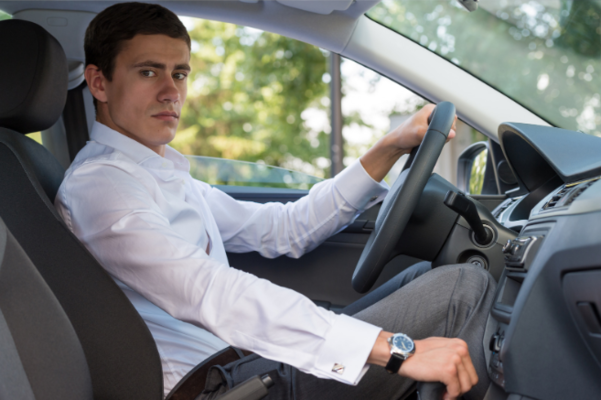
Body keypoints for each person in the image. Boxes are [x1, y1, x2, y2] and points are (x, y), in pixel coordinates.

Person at [54, 3, 497, 400]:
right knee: (459, 287)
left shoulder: (160, 172)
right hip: (217, 387)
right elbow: (210, 291)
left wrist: (390, 146)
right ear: (99, 83)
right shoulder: (103, 186)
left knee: (427, 277)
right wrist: (397, 350)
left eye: (180, 74)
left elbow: (285, 229)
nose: (172, 91)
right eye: (149, 72)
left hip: (243, 366)